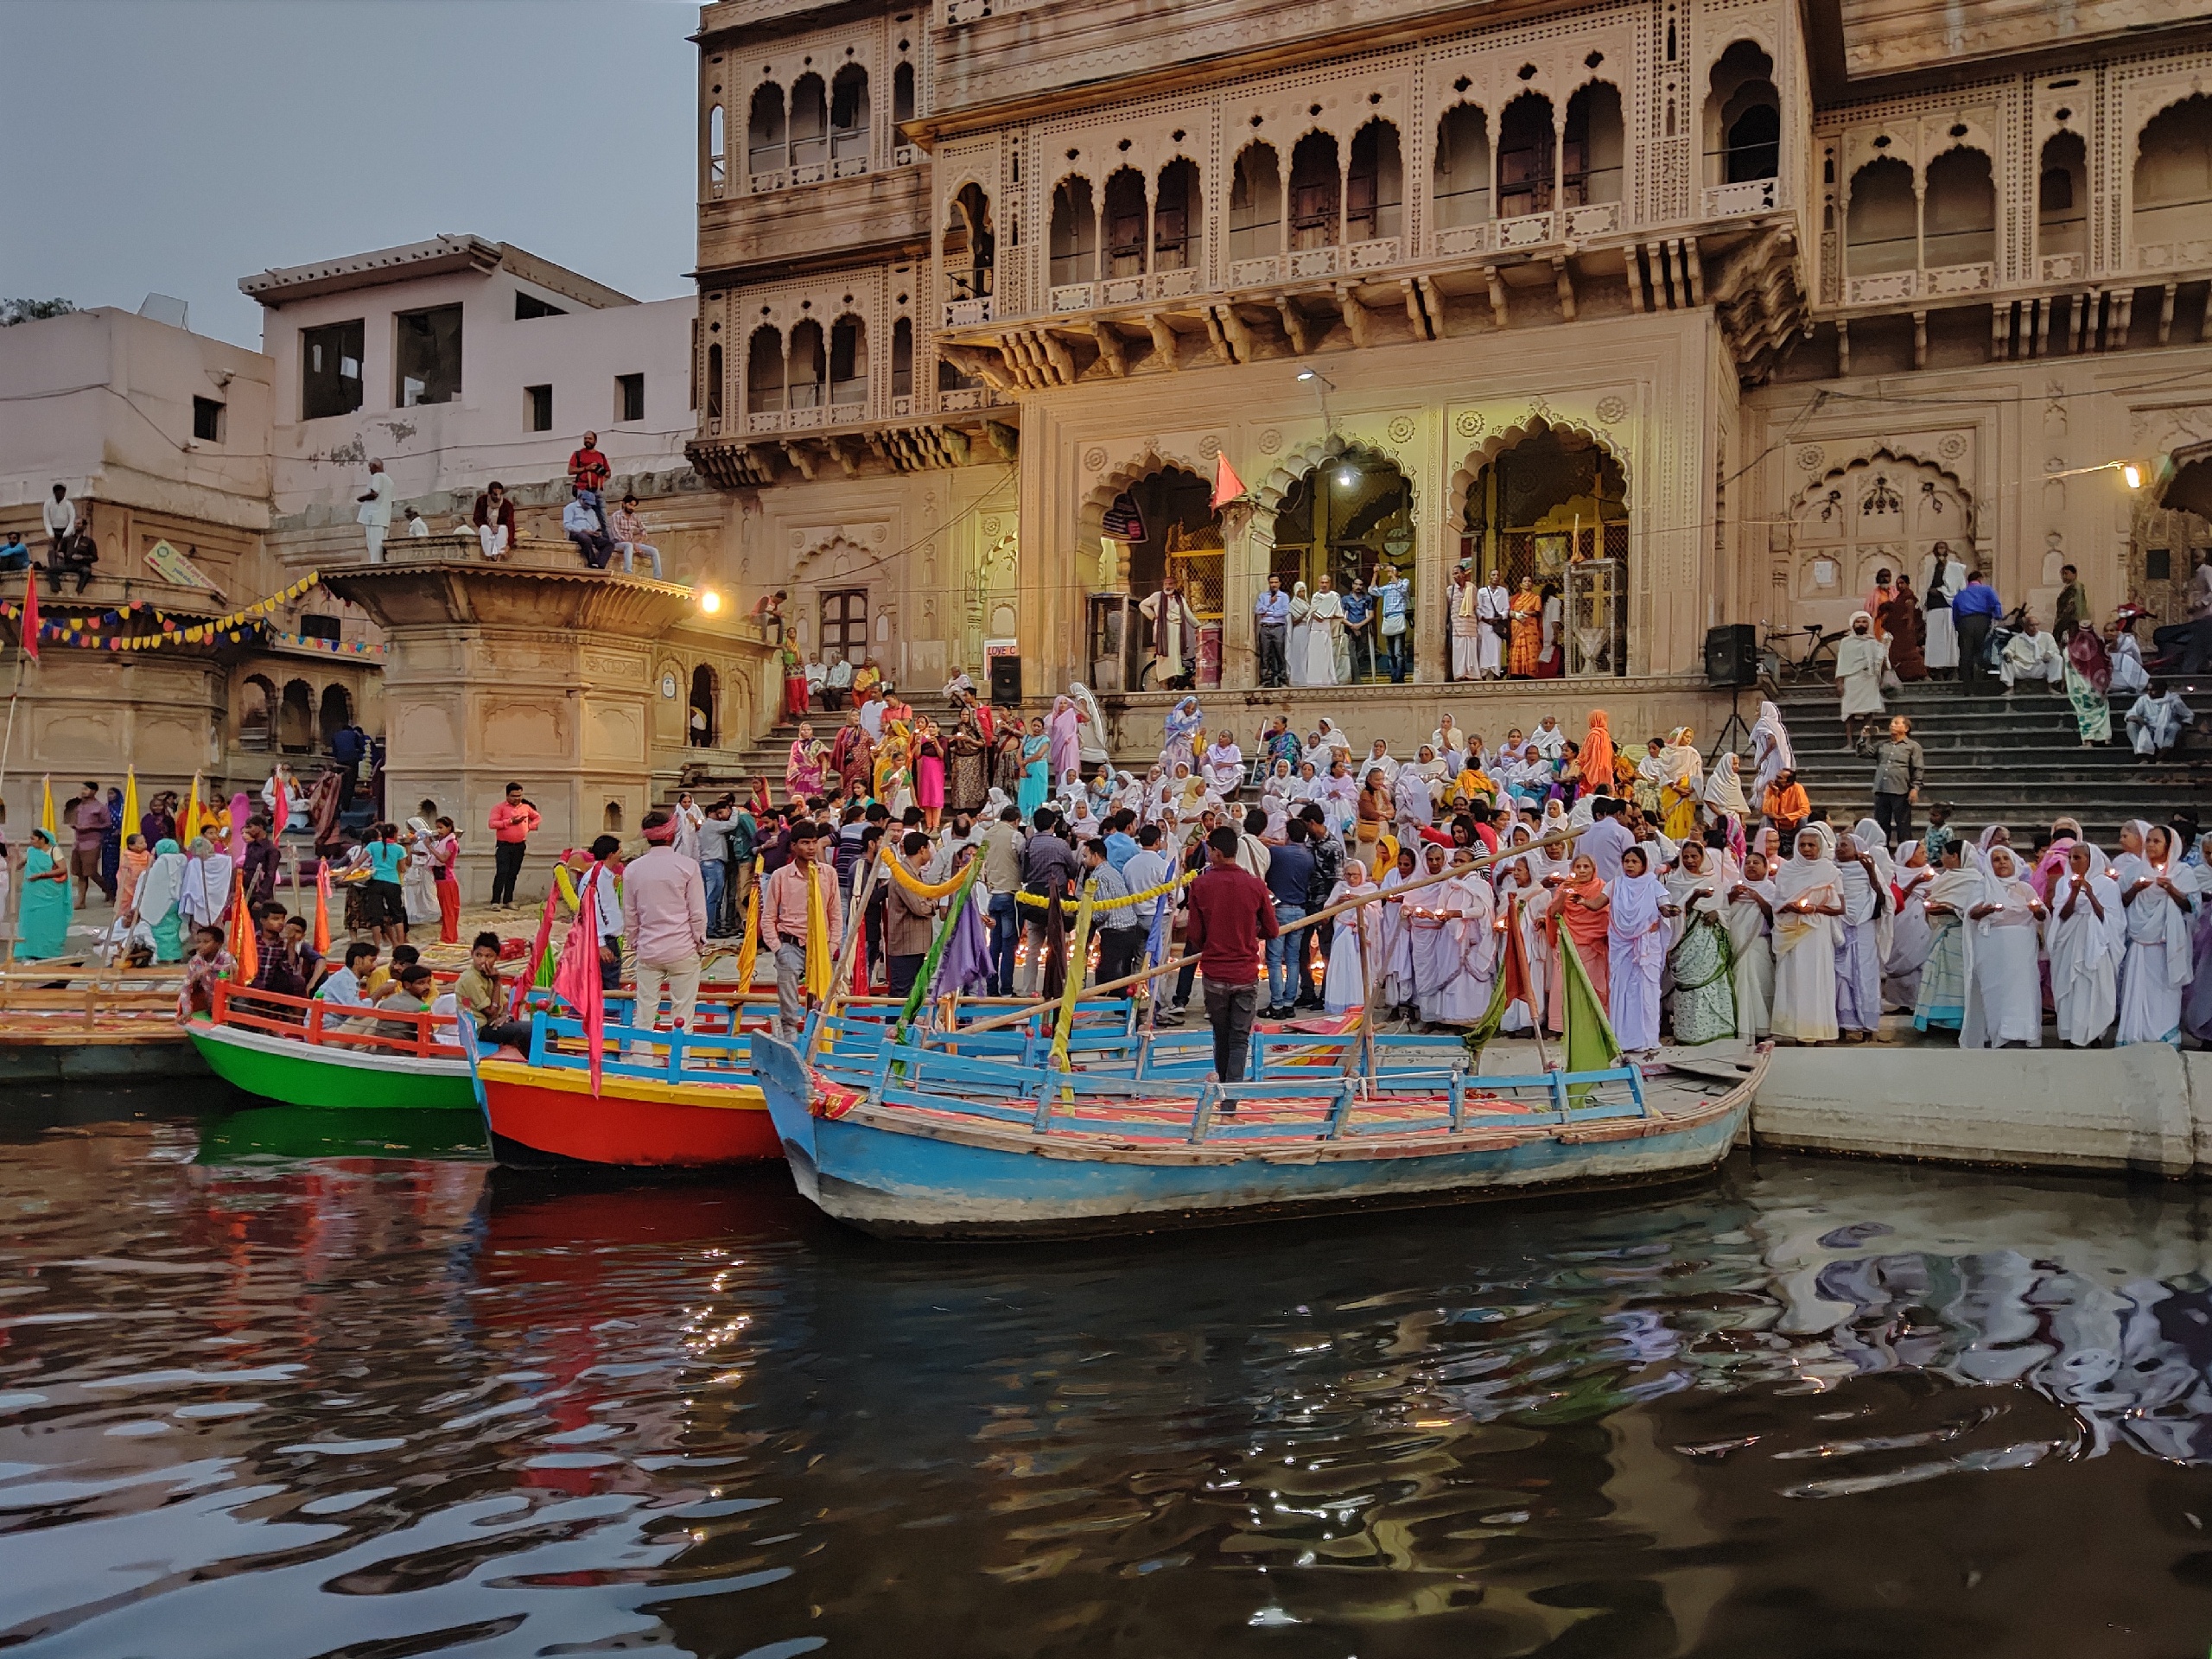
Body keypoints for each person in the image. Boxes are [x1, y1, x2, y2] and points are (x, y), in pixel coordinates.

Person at [1186, 824, 1278, 1084]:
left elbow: (1195, 936)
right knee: (1239, 1039)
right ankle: (1231, 1100)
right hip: (1245, 974)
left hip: (1215, 974)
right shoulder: (1255, 885)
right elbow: (1272, 929)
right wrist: (1248, 931)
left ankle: (1225, 1090)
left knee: (1222, 1035)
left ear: (1216, 852)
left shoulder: (1201, 884)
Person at [624, 809, 709, 1048]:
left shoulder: (633, 869)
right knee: (683, 1013)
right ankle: (679, 1063)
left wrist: (635, 941)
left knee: (645, 1011)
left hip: (649, 949)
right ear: (672, 834)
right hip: (682, 949)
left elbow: (630, 914)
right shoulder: (688, 866)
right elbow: (698, 913)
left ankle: (641, 1062)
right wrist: (699, 941)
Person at [2116, 822, 2199, 1046]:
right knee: (2136, 991)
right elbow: (2121, 903)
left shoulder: (2182, 873)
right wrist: (2135, 889)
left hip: (2165, 945)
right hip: (2138, 944)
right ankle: (2134, 1034)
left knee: (2163, 993)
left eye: (2157, 841)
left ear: (2169, 846)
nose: (2151, 845)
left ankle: (2163, 1036)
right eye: (2149, 840)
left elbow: (2192, 907)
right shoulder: (2135, 871)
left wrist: (2170, 889)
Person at [1961, 843, 2045, 1048]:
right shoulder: (1983, 886)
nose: (2002, 863)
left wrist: (2035, 910)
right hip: (1993, 946)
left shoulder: (2025, 888)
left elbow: (2042, 915)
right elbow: (1971, 914)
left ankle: (2026, 1032)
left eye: (2005, 858)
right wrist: (1987, 910)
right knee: (1996, 989)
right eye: (1996, 860)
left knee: (2023, 988)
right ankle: (1999, 1033)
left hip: (2022, 947)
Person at [1770, 825, 1843, 1045]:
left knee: (1817, 980)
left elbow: (1840, 908)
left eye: (1811, 845)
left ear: (1820, 847)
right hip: (1791, 931)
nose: (1806, 849)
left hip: (1816, 932)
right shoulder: (1787, 870)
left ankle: (1820, 1031)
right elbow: (1777, 903)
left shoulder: (1829, 871)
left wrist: (1812, 909)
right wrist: (1789, 907)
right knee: (1793, 980)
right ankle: (1795, 1030)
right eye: (1802, 845)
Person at [1663, 839, 1737, 1047]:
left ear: (1702, 858)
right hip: (1685, 942)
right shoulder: (1674, 883)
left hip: (1708, 941)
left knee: (1711, 985)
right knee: (1688, 987)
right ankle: (1689, 1032)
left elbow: (1724, 910)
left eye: (1694, 856)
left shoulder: (1713, 881)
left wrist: (1716, 913)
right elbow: (1672, 914)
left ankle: (1716, 1029)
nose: (1689, 860)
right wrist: (1692, 899)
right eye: (1685, 857)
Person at [2048, 842, 2121, 1048]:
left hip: (2096, 943)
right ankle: (2069, 1033)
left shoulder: (2107, 885)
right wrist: (2073, 893)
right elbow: (2062, 915)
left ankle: (2095, 1033)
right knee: (2069, 986)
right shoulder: (2064, 883)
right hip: (2070, 941)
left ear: (2091, 860)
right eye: (2070, 857)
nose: (2072, 861)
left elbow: (2111, 919)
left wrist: (2089, 893)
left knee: (2094, 986)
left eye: (2077, 857)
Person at [1605, 845, 1667, 1056]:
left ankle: (1646, 1039)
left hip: (1646, 946)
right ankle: (1621, 1038)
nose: (1629, 865)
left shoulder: (1653, 884)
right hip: (1621, 946)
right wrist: (1581, 901)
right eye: (1626, 862)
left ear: (1644, 864)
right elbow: (1597, 904)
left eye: (1634, 862)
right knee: (1621, 988)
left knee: (1645, 991)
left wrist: (1669, 910)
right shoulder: (1615, 885)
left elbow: (1664, 904)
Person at [1833, 831, 1887, 1042]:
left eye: (1845, 844)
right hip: (1840, 923)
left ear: (1857, 848)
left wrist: (1871, 872)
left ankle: (1867, 1026)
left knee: (1865, 973)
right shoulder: (1831, 870)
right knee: (1841, 976)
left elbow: (1882, 900)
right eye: (1838, 845)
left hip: (1864, 925)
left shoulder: (1870, 870)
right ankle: (1842, 1026)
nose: (1840, 848)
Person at [1262, 817, 1315, 1017]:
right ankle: (1289, 1002)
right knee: (1293, 958)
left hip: (1280, 908)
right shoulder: (1309, 857)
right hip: (1299, 909)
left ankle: (1277, 1004)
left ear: (1288, 835)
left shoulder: (1277, 853)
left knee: (1275, 959)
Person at [1725, 849, 1776, 1040]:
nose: (1751, 866)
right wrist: (1731, 897)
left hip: (1759, 945)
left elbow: (1774, 917)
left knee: (1760, 985)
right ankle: (1739, 1027)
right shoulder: (1734, 889)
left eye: (1756, 863)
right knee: (1738, 986)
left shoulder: (1771, 890)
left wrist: (1758, 898)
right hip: (1737, 945)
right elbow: (1723, 912)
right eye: (1748, 863)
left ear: (1766, 868)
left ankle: (1761, 1028)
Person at [1865, 715, 1923, 849]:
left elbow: (1917, 768)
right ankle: (1881, 852)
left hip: (1900, 790)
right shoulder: (1883, 745)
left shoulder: (1913, 747)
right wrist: (1864, 737)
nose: (1892, 725)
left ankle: (1906, 853)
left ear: (1906, 728)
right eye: (1892, 723)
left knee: (1903, 825)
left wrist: (1915, 788)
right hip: (1882, 789)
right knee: (1881, 825)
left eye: (1896, 723)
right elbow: (1864, 753)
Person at [17, 828, 72, 961]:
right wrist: (16, 853)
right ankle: (31, 949)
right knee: (32, 921)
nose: (31, 841)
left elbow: (62, 869)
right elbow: (18, 866)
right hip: (33, 894)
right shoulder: (31, 852)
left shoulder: (54, 851)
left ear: (42, 839)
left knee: (50, 922)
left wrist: (41, 875)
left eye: (33, 838)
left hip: (51, 894)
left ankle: (50, 950)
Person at [1834, 611, 1888, 746]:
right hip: (1851, 680)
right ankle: (1849, 743)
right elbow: (1842, 663)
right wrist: (1839, 682)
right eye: (1858, 622)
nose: (1861, 624)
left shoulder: (1873, 642)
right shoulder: (1845, 643)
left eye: (1864, 622)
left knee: (1869, 712)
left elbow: (1880, 662)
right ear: (1853, 624)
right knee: (1849, 713)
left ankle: (1867, 741)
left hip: (1869, 680)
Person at [1139, 575, 1200, 690]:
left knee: (1175, 658)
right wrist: (1153, 616)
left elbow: (1187, 614)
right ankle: (1163, 684)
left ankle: (1173, 684)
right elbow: (1142, 605)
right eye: (1166, 584)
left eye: (1171, 584)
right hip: (1163, 631)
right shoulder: (1157, 596)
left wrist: (1198, 626)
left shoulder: (1179, 598)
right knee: (1163, 657)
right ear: (1163, 585)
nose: (1168, 586)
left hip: (1176, 630)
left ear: (1175, 585)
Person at [488, 782, 539, 909]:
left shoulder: (525, 808)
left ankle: (508, 900)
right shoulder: (499, 808)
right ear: (507, 795)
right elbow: (492, 824)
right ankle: (495, 901)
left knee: (513, 873)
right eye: (514, 796)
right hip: (504, 846)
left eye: (519, 795)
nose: (517, 798)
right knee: (502, 872)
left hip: (520, 846)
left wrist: (529, 827)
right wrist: (510, 822)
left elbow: (537, 817)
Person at [1921, 542, 1967, 677]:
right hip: (1933, 609)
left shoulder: (1955, 568)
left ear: (1947, 551)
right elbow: (1927, 587)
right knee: (1935, 641)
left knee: (1950, 640)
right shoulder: (1931, 570)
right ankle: (1937, 669)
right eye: (1938, 549)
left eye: (1943, 548)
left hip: (1948, 608)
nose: (1940, 551)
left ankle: (1953, 669)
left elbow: (1959, 589)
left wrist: (1941, 591)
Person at [1951, 570, 2001, 689]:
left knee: (1965, 652)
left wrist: (1958, 627)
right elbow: (1996, 604)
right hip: (1982, 621)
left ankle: (1967, 685)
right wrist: (1998, 617)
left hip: (1965, 622)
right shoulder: (1987, 590)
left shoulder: (1960, 594)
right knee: (1981, 649)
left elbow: (1955, 614)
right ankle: (1980, 682)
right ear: (1980, 579)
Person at [67, 780, 112, 907]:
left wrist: (91, 827)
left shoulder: (100, 807)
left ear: (93, 791)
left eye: (86, 789)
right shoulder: (80, 806)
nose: (83, 792)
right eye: (82, 789)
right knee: (80, 873)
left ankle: (111, 893)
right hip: (78, 842)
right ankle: (81, 901)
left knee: (91, 872)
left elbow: (108, 824)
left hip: (92, 842)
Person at [2126, 680, 2194, 757]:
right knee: (2131, 725)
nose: (2149, 692)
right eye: (2148, 690)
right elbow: (2131, 713)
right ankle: (2141, 755)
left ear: (2162, 691)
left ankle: (2162, 756)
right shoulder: (2143, 699)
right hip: (2148, 726)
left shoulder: (2173, 700)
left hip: (2167, 727)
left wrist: (2182, 723)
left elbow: (2188, 715)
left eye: (2152, 690)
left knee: (2175, 727)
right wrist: (2136, 718)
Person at [1999, 615, 2063, 691]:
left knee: (2057, 658)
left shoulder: (2047, 637)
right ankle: (2010, 688)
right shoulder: (2017, 639)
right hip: (2022, 667)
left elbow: (2054, 649)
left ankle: (2051, 687)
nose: (2035, 627)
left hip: (2040, 666)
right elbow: (2008, 649)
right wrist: (2008, 654)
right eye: (2032, 625)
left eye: (2036, 625)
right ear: (2025, 627)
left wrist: (2049, 654)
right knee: (2006, 662)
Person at [607, 494, 664, 579]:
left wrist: (640, 541)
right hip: (617, 543)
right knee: (628, 545)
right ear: (623, 504)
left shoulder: (635, 517)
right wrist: (634, 545)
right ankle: (628, 572)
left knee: (654, 551)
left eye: (634, 506)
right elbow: (617, 536)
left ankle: (658, 576)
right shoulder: (616, 516)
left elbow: (643, 529)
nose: (632, 508)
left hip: (633, 543)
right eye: (630, 505)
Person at [1254, 572, 1290, 688]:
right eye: (1271, 582)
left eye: (1275, 582)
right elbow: (1258, 610)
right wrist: (1270, 602)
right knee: (1265, 654)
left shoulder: (1284, 596)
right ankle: (1265, 679)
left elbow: (1284, 612)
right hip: (1265, 628)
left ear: (1279, 583)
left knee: (1279, 654)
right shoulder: (1263, 596)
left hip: (1278, 627)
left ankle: (1281, 678)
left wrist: (1268, 613)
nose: (1273, 585)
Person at [563, 491, 615, 569]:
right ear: (581, 499)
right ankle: (592, 562)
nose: (589, 506)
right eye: (587, 503)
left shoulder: (591, 511)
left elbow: (595, 525)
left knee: (609, 544)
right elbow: (567, 525)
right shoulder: (570, 508)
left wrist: (596, 532)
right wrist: (582, 530)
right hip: (576, 532)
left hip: (590, 533)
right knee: (586, 539)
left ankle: (600, 565)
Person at [356, 460, 393, 562]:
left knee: (374, 546)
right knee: (380, 546)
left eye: (370, 467)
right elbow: (392, 502)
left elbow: (374, 494)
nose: (369, 470)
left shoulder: (377, 476)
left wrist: (361, 499)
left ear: (376, 467)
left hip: (374, 517)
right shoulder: (390, 481)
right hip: (384, 518)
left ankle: (375, 567)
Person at [1760, 769, 1809, 841]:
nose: (1775, 780)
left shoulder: (1798, 788)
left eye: (1779, 778)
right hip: (1777, 826)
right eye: (1776, 777)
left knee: (1804, 819)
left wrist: (1782, 817)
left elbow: (1805, 810)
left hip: (1794, 825)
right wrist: (1775, 794)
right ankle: (1767, 847)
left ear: (1789, 782)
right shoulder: (1772, 788)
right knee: (1765, 819)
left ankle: (1804, 843)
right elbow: (1766, 811)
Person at [473, 481, 516, 559]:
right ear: (489, 494)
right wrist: (490, 527)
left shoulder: (507, 505)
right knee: (484, 529)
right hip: (488, 526)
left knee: (503, 528)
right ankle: (488, 556)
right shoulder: (481, 501)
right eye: (495, 494)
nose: (498, 497)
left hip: (500, 529)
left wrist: (509, 544)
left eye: (500, 494)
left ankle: (499, 556)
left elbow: (510, 524)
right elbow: (477, 518)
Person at [568, 430, 612, 501]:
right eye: (585, 439)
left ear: (595, 441)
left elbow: (608, 473)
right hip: (583, 489)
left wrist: (601, 471)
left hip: (598, 490)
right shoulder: (578, 454)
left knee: (601, 512)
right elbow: (570, 471)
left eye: (590, 439)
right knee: (584, 511)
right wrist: (587, 468)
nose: (587, 440)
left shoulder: (601, 455)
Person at [2052, 563, 2090, 643]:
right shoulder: (2068, 587)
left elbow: (2075, 605)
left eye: (2066, 573)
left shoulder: (2076, 587)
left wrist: (2062, 621)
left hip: (2071, 621)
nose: (2064, 576)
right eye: (2062, 574)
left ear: (2074, 574)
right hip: (2065, 620)